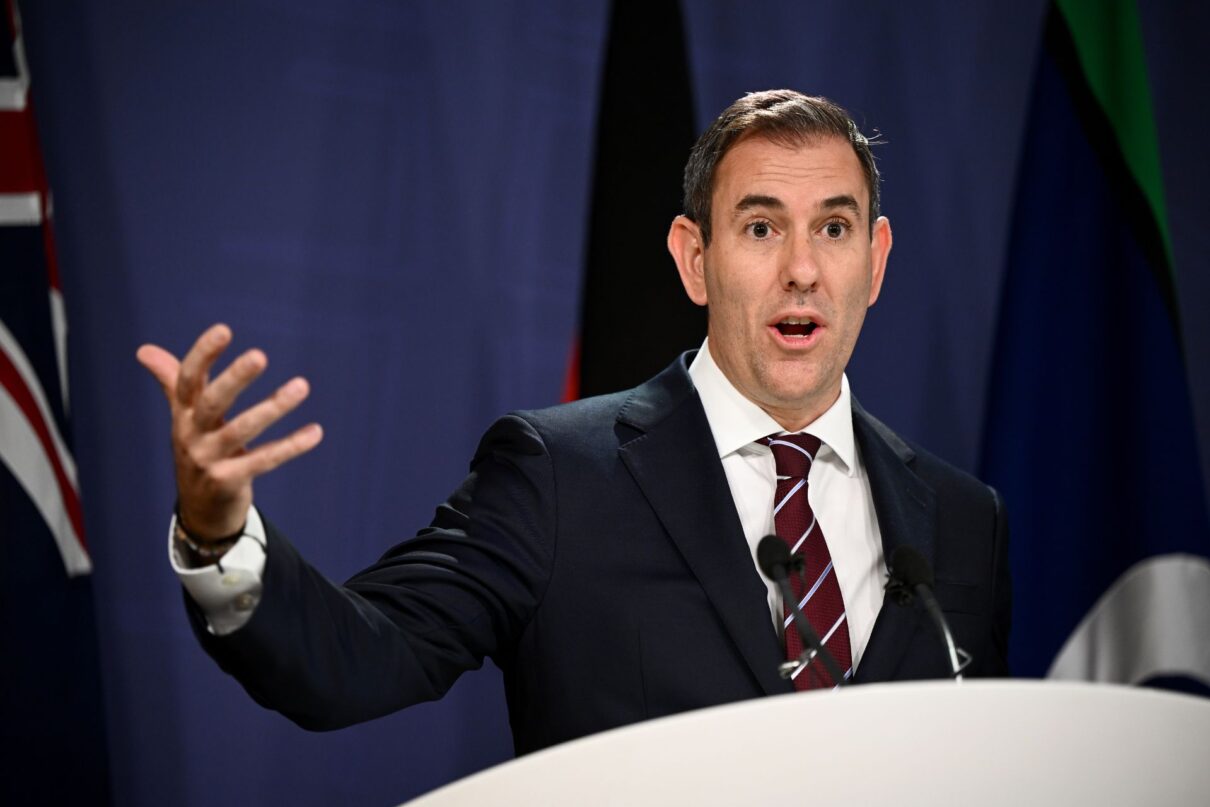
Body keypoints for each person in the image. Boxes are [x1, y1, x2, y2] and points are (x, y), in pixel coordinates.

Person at [138, 90, 1010, 755]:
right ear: (694, 260)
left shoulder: (962, 520)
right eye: (759, 227)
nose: (802, 270)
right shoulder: (561, 476)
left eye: (833, 226)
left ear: (876, 260)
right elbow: (359, 659)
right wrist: (221, 536)